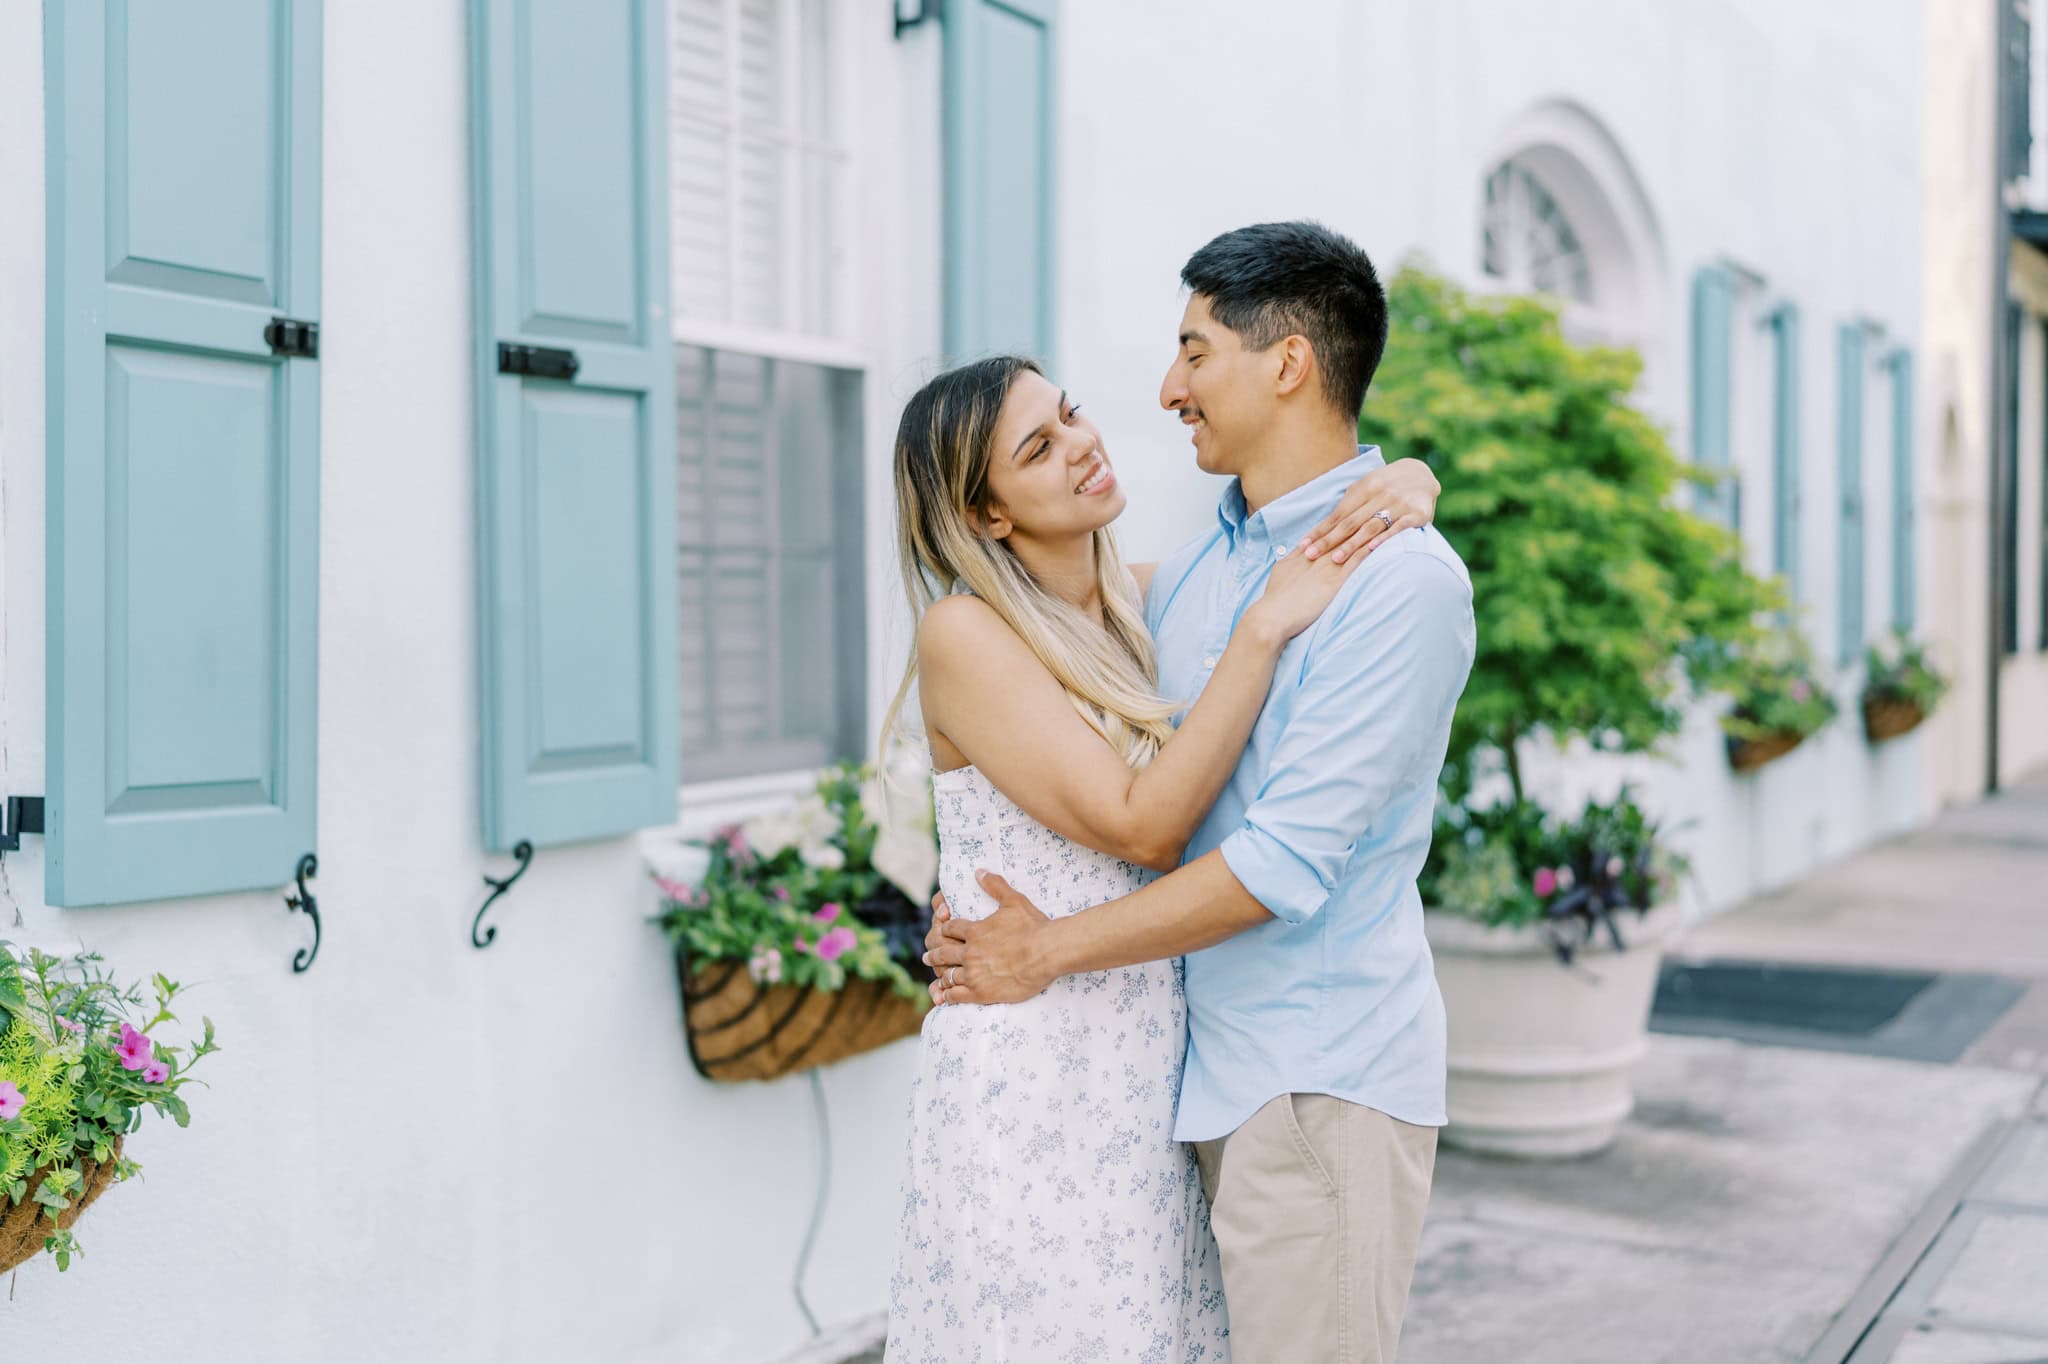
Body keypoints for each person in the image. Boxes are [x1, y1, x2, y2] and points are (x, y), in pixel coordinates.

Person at [922, 220, 1476, 1363]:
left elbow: (1277, 865)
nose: (1163, 388)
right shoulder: (1198, 573)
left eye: (1193, 350)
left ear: (1285, 364)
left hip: (1315, 1080)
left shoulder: (1396, 584)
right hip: (1180, 1081)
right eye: (1041, 442)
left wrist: (1044, 946)